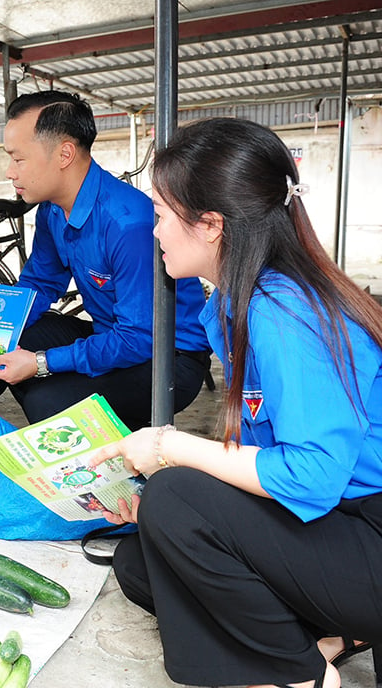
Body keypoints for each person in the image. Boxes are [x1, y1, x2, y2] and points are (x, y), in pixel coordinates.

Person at [91, 117, 382, 688]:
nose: (152, 232)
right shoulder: (236, 303)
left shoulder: (285, 312)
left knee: (175, 499)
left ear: (211, 225)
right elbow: (259, 453)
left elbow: (312, 476)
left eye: (159, 216)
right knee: (142, 558)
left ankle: (297, 674)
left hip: (365, 527)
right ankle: (331, 634)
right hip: (333, 525)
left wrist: (171, 448)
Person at [0, 90, 212, 431]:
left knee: (46, 399)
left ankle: (120, 461)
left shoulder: (127, 222)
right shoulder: (51, 210)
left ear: (64, 153)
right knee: (11, 339)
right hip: (113, 334)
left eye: (18, 159)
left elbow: (139, 338)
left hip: (169, 358)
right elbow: (41, 283)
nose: (9, 172)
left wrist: (42, 363)